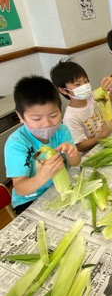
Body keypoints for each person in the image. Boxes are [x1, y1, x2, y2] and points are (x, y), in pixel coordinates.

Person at [4, 76, 81, 214]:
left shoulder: (62, 130)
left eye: (53, 115)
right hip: (29, 199)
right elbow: (20, 188)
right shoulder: (16, 143)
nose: (47, 124)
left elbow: (75, 163)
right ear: (20, 117)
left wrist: (72, 154)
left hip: (59, 189)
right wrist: (41, 177)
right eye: (36, 119)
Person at [50, 59, 112, 152]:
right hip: (92, 152)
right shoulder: (70, 117)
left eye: (86, 81)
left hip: (106, 141)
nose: (84, 86)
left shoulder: (92, 97)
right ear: (63, 90)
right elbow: (80, 146)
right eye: (77, 84)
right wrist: (102, 136)